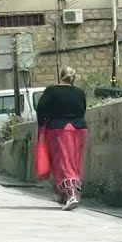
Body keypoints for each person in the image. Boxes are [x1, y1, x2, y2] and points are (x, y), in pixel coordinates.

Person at [36, 67, 89, 210]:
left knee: (62, 162)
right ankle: (64, 194)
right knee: (75, 163)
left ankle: (72, 195)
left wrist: (42, 125)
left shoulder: (52, 91)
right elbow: (83, 109)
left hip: (59, 130)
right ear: (74, 78)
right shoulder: (80, 92)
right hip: (79, 129)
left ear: (60, 76)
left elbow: (41, 108)